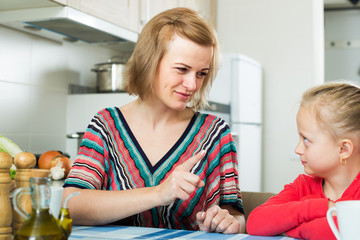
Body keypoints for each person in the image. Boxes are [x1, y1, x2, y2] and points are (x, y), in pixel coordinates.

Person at [63, 7, 245, 234]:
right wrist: (159, 193)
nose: (192, 85)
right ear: (149, 62)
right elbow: (70, 205)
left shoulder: (216, 133)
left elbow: (236, 215)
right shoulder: (106, 125)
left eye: (201, 73)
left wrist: (226, 221)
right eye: (182, 69)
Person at [246, 81, 360, 240]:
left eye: (306, 139)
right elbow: (255, 222)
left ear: (343, 150)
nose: (297, 149)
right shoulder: (303, 186)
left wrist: (294, 230)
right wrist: (322, 207)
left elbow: (336, 232)